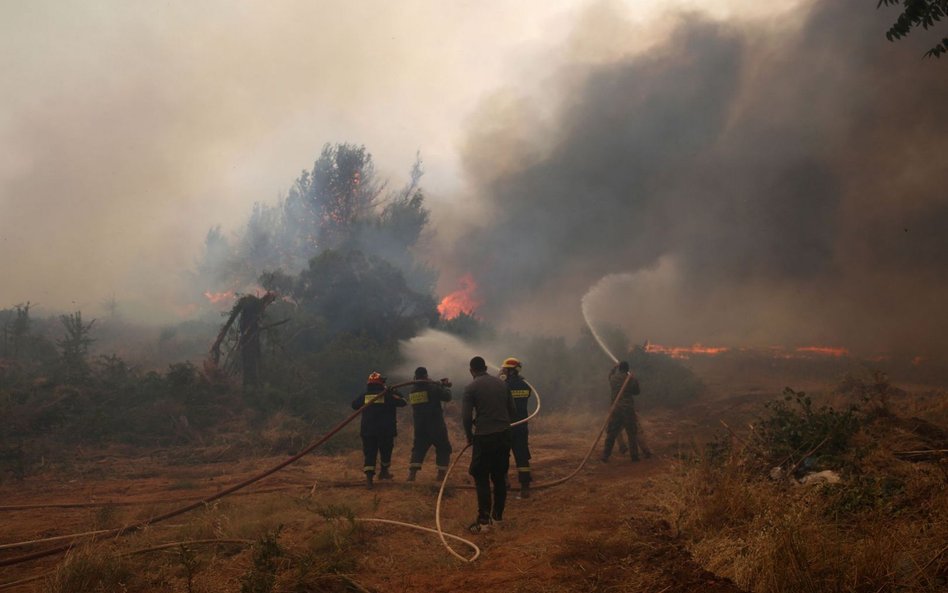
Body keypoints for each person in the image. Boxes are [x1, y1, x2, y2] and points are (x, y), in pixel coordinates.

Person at [462, 356, 515, 533]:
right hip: (504, 435)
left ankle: (484, 523)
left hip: (484, 437)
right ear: (485, 367)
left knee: (481, 476)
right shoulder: (502, 384)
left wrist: (469, 436)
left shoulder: (471, 388)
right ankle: (498, 518)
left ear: (472, 371)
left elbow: (466, 417)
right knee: (499, 476)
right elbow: (512, 411)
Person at [351, 372, 406, 489]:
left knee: (369, 454)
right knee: (386, 452)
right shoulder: (387, 395)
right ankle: (384, 472)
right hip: (385, 431)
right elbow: (403, 402)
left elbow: (354, 405)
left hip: (368, 431)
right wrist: (394, 392)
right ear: (381, 383)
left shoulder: (365, 396)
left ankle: (369, 480)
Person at [406, 366, 453, 482]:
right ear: (426, 376)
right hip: (436, 424)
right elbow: (447, 397)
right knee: (443, 447)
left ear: (415, 377)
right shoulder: (433, 387)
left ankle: (412, 475)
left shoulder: (413, 390)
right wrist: (444, 387)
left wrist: (437, 385)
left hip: (420, 426)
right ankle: (441, 475)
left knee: (418, 448)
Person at [500, 357, 533, 499]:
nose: (503, 371)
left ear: (510, 371)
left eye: (505, 369)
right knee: (522, 457)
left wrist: (500, 379)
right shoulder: (526, 385)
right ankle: (525, 488)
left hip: (506, 426)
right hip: (521, 427)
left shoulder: (503, 385)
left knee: (502, 456)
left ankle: (504, 483)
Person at [601, 361, 642, 462]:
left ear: (619, 369)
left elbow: (609, 376)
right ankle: (634, 457)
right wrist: (633, 378)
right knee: (631, 433)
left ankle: (605, 455)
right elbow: (637, 392)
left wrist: (613, 368)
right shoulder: (631, 379)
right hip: (627, 409)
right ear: (627, 369)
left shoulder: (613, 379)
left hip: (615, 408)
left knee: (611, 433)